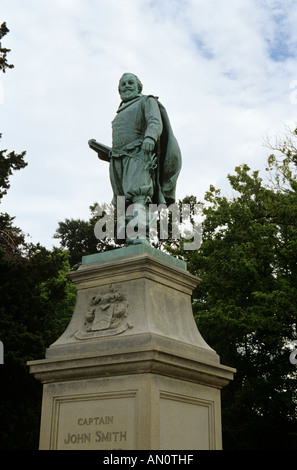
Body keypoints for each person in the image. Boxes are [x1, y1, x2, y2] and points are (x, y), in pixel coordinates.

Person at [89, 73, 181, 244]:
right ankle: (129, 236)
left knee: (139, 193)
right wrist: (106, 153)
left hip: (139, 155)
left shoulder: (147, 101)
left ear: (139, 87)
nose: (126, 86)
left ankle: (140, 235)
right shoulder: (120, 111)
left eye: (130, 82)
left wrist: (150, 138)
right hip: (118, 159)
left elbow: (155, 121)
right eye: (122, 84)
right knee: (123, 199)